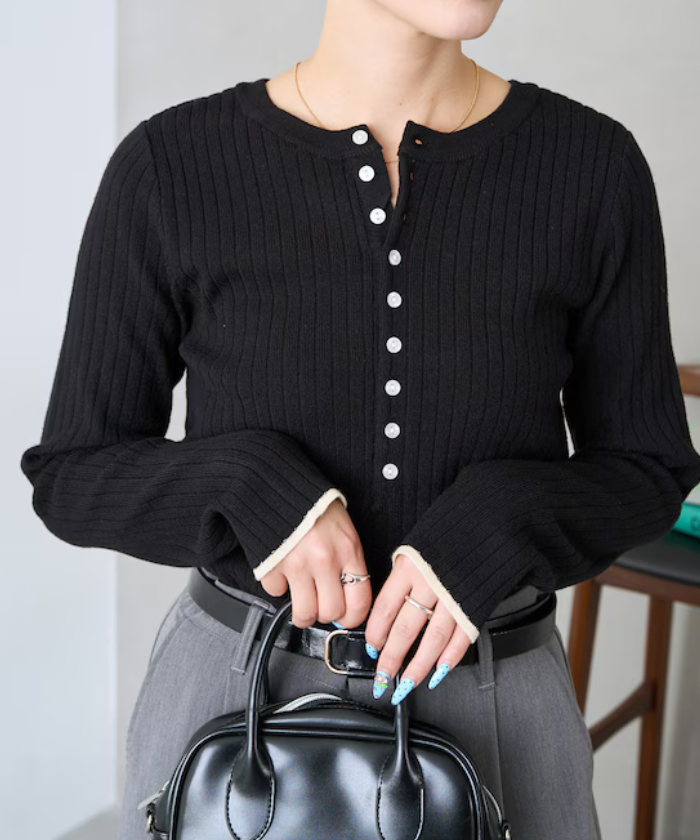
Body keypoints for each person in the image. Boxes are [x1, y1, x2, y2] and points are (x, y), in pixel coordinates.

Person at [20, 0, 700, 837]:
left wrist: (502, 519)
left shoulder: (593, 166)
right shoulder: (170, 165)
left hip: (503, 711)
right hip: (234, 700)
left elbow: (648, 468)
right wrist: (246, 484)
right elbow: (73, 473)